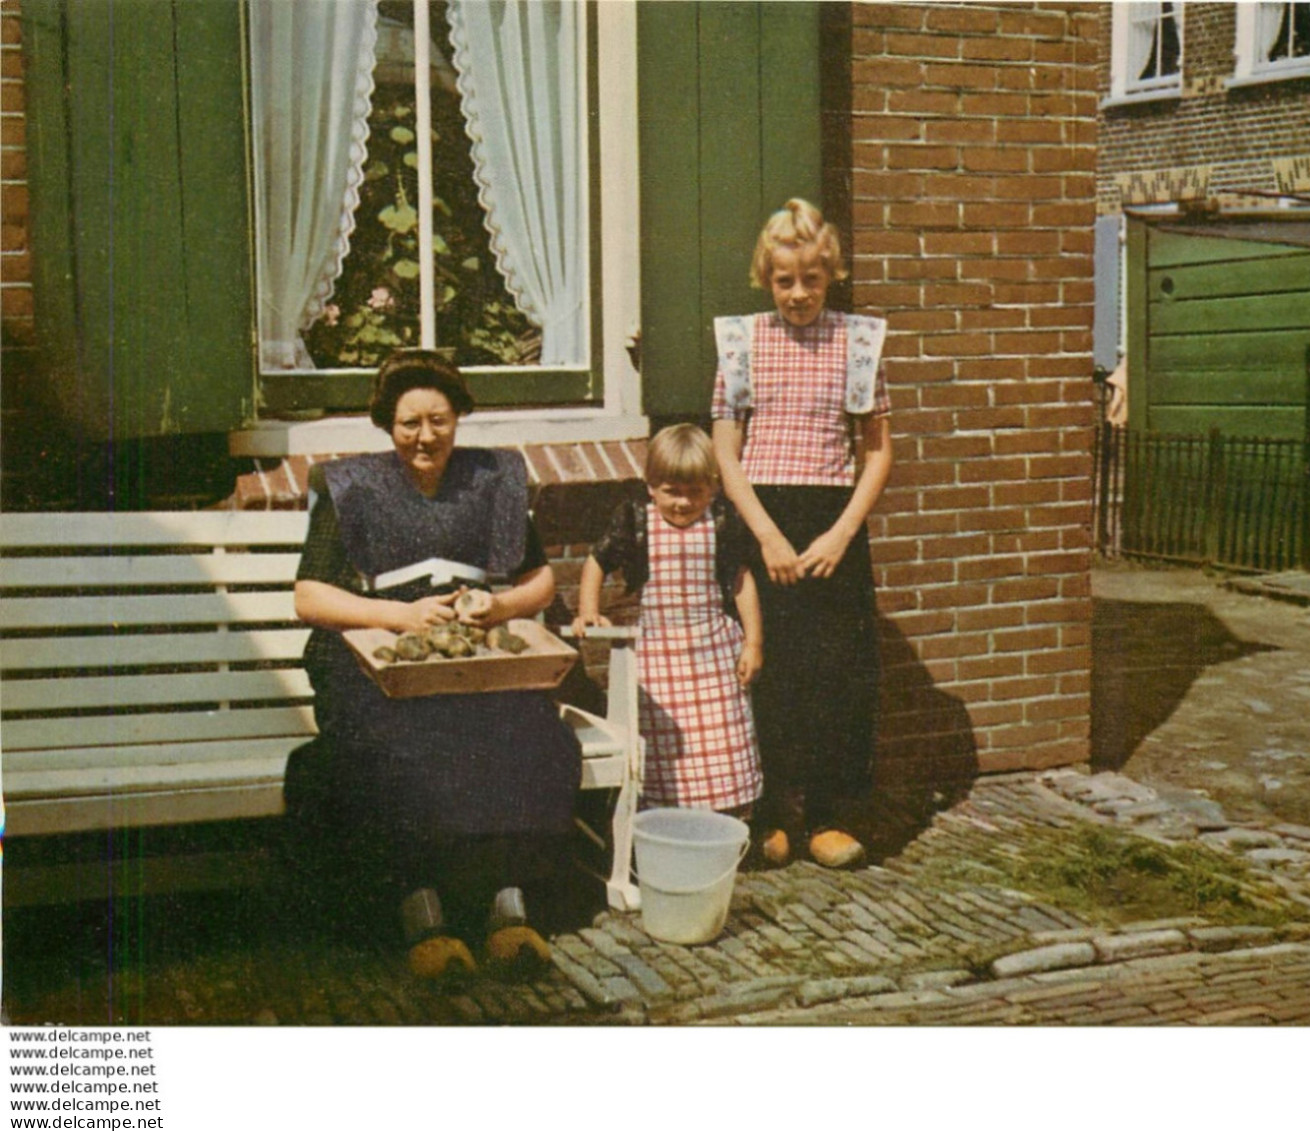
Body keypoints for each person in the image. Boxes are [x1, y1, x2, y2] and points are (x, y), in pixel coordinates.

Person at [291, 349, 581, 983]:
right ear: (387, 424)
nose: (425, 437)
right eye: (409, 423)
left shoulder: (494, 481)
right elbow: (309, 597)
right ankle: (421, 915)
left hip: (468, 663)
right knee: (391, 745)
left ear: (459, 419)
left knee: (529, 732)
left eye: (439, 421)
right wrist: (400, 619)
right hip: (372, 659)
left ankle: (510, 910)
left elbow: (540, 583)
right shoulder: (350, 488)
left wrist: (496, 604)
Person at [711, 198, 893, 870]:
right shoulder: (741, 342)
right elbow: (724, 451)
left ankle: (825, 814)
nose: (797, 294)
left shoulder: (857, 342)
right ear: (766, 277)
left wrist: (843, 532)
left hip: (830, 525)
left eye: (810, 281)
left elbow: (876, 451)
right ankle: (765, 812)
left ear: (830, 276)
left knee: (835, 673)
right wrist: (764, 535)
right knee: (765, 666)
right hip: (762, 517)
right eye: (784, 280)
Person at [572, 424, 763, 816]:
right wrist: (588, 610)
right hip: (658, 654)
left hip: (712, 650)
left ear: (712, 486)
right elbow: (597, 560)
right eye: (671, 491)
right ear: (651, 486)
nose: (682, 503)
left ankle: (723, 820)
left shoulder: (722, 523)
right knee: (664, 745)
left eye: (695, 492)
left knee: (720, 735)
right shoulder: (637, 522)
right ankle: (667, 819)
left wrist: (754, 643)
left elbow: (742, 580)